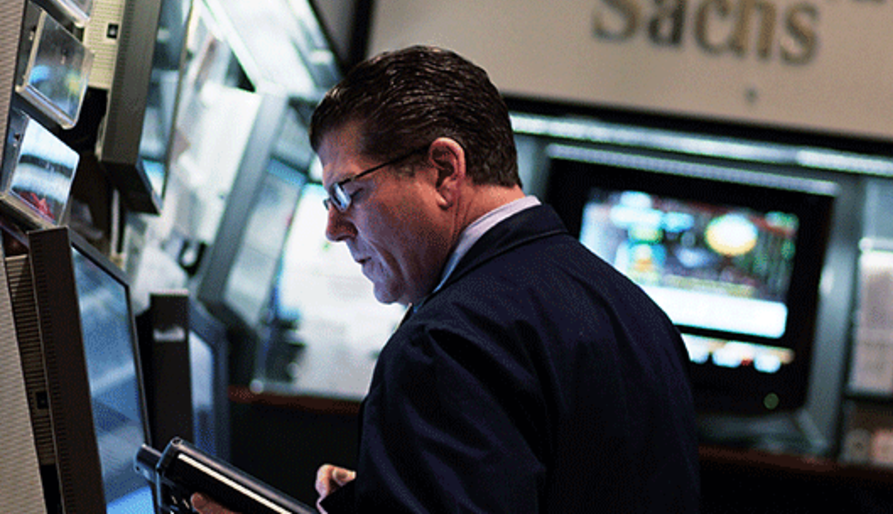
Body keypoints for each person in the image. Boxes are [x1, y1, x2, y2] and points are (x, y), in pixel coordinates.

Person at [193, 45, 701, 513]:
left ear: (442, 170)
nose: (333, 227)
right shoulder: (637, 313)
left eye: (346, 193)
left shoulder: (448, 342)